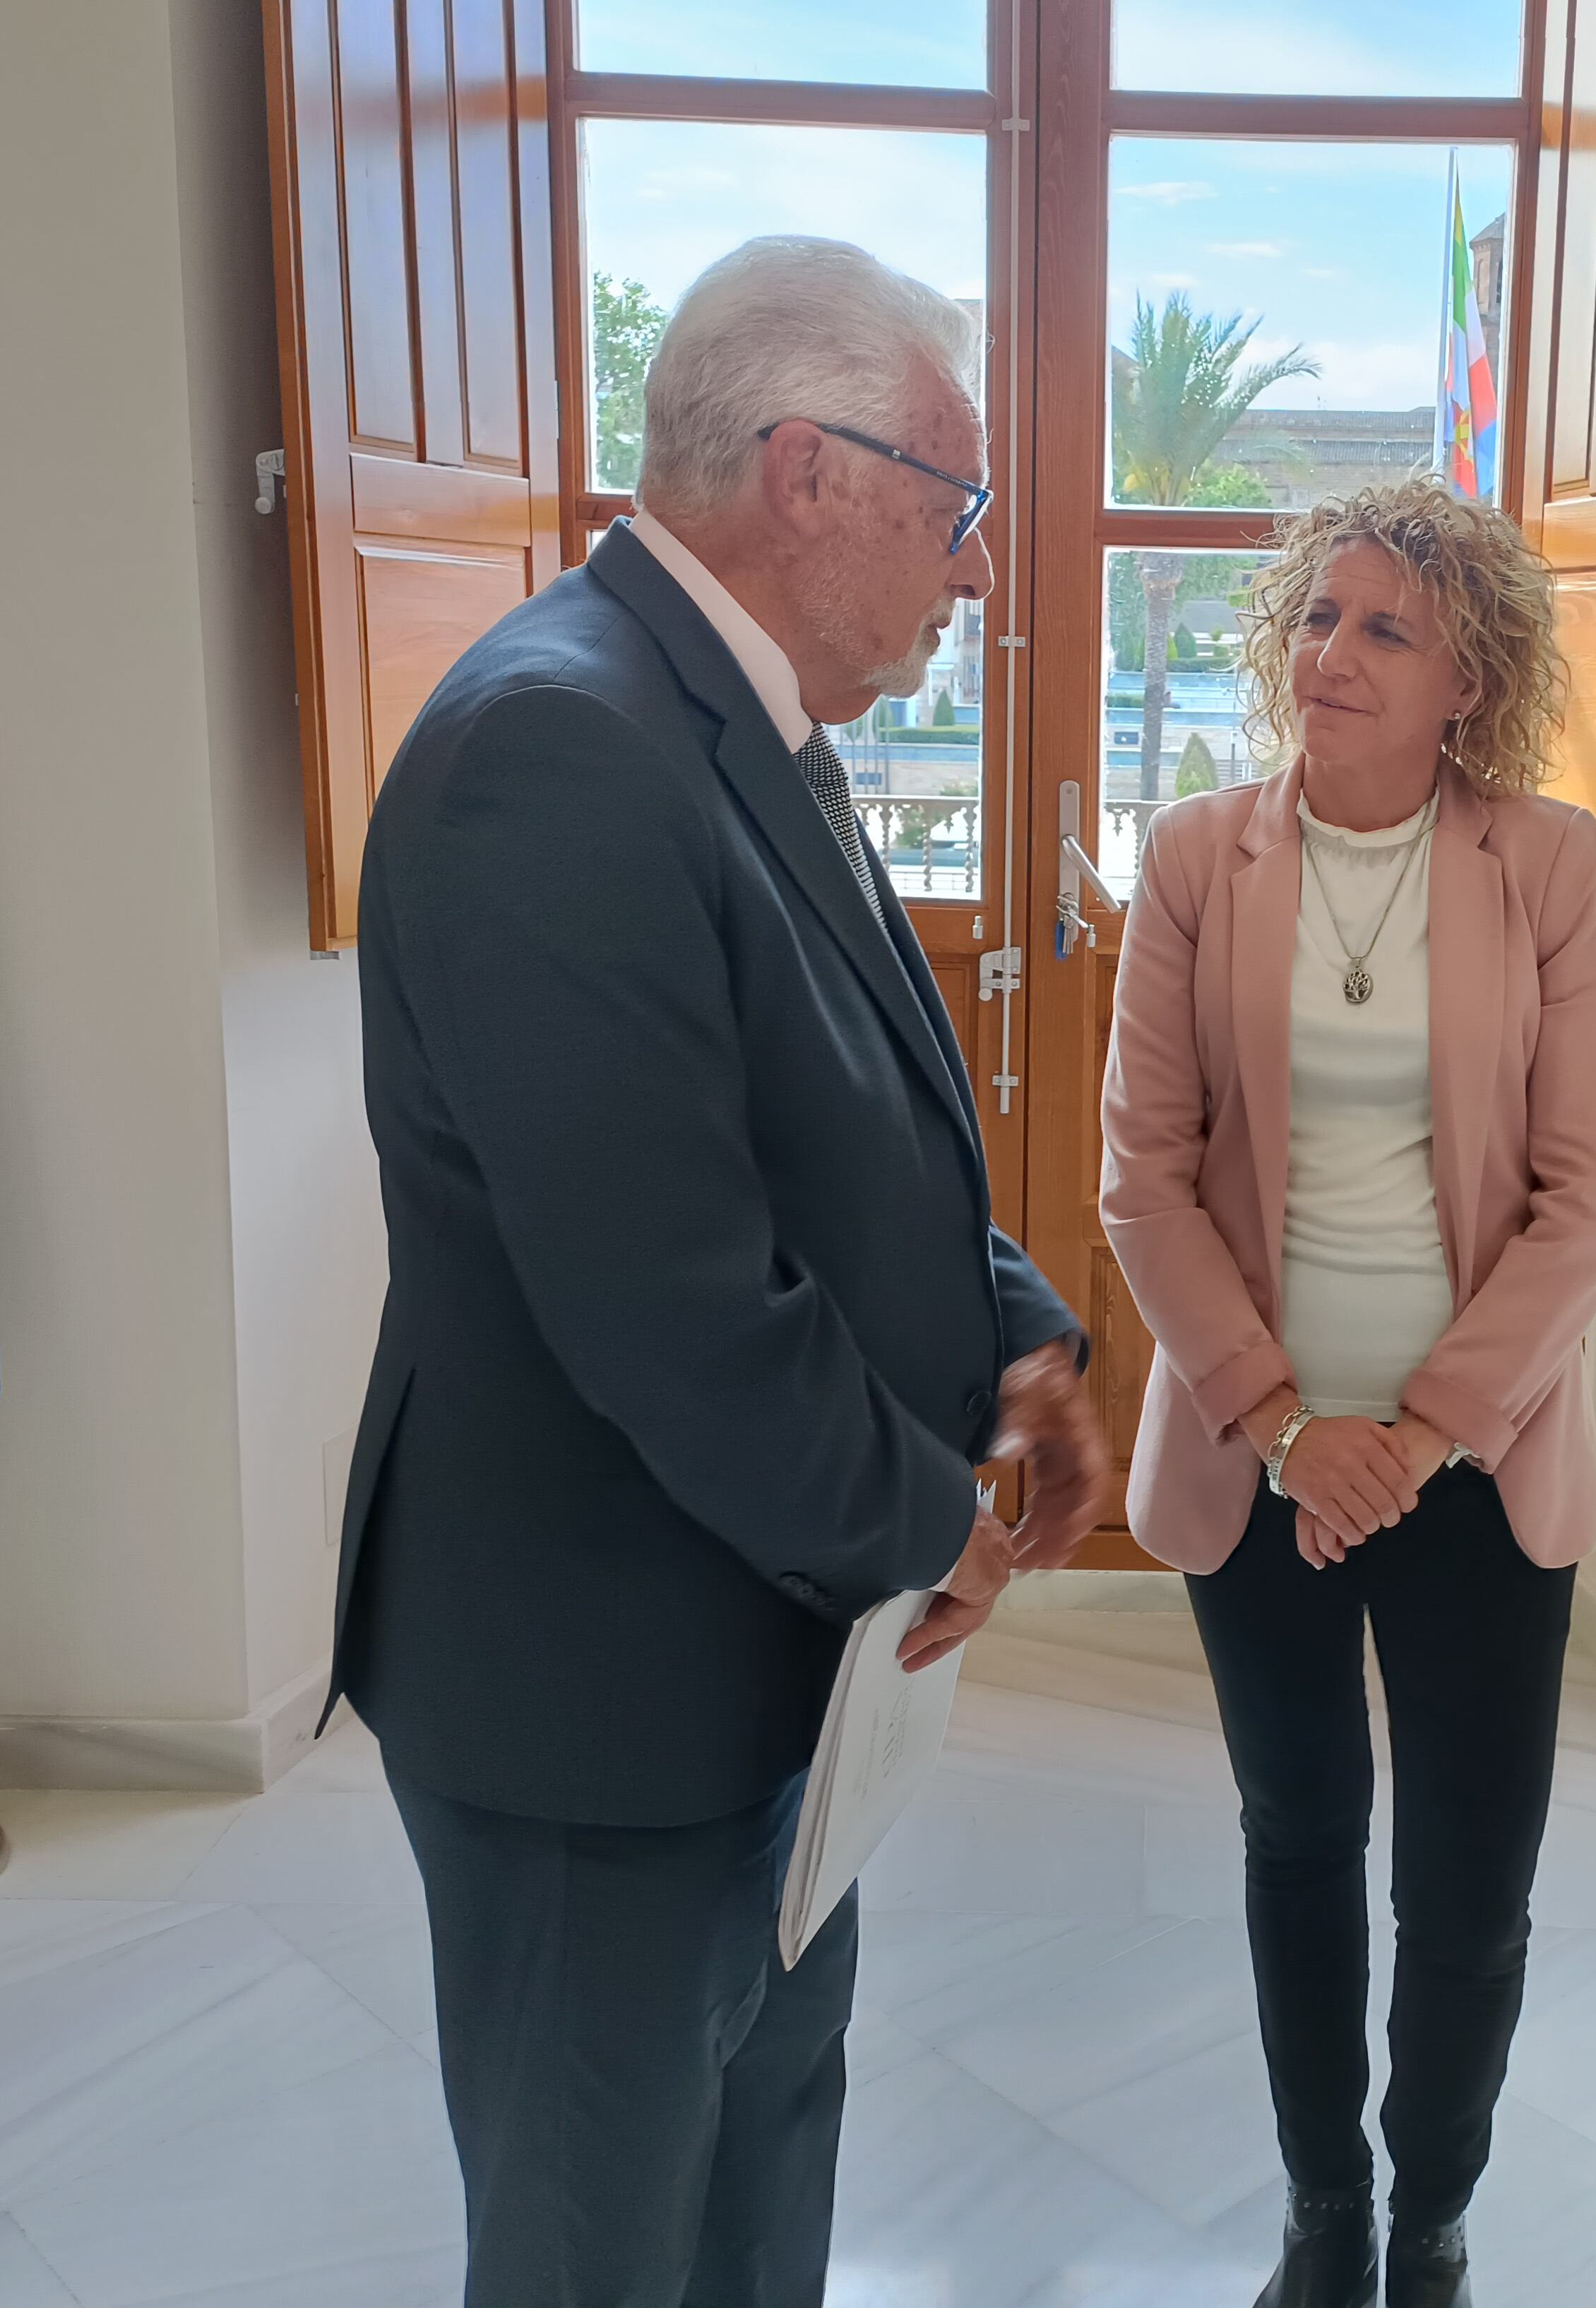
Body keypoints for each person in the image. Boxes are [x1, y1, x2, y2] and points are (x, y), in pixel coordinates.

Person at [326, 235, 1109, 2308]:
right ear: (807, 470)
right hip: (601, 1700)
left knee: (757, 2189)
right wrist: (939, 1517)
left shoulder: (731, 716)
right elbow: (672, 1299)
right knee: (606, 2246)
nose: (969, 575)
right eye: (953, 510)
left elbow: (836, 1129)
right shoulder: (558, 751)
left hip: (762, 1657)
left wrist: (1018, 1336)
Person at [1101, 479, 1596, 2308]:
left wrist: (1413, 1437)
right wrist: (1286, 1425)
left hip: (1474, 1469)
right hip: (1262, 1466)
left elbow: (1589, 1195)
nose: (1333, 655)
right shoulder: (1195, 857)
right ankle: (1327, 2214)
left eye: (1386, 629)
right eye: (1319, 618)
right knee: (1300, 1835)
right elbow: (1143, 1179)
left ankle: (1436, 2221)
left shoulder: (1547, 863)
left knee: (1471, 1881)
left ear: (1467, 679)